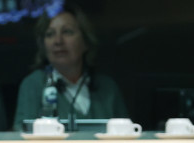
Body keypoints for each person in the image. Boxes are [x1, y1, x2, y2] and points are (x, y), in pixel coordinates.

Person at [12, 3, 128, 131]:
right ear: (43, 45)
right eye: (50, 34)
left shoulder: (107, 87)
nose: (58, 41)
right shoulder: (33, 85)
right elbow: (21, 138)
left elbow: (126, 137)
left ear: (85, 41)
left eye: (67, 32)